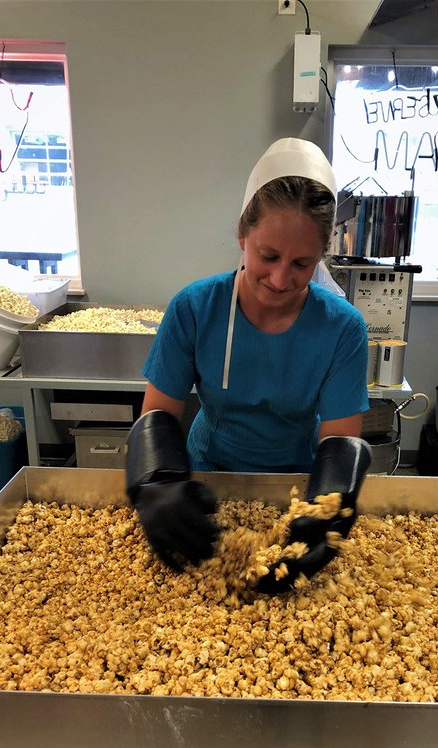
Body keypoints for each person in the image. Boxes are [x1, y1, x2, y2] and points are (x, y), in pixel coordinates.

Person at [125, 138, 371, 593]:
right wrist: (157, 480)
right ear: (242, 234)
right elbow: (158, 415)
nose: (281, 278)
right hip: (204, 484)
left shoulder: (342, 328)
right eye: (268, 256)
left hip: (296, 492)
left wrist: (327, 511)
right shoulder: (195, 308)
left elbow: (339, 439)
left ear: (321, 255)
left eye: (302, 263)